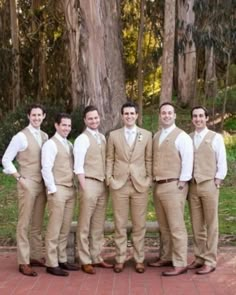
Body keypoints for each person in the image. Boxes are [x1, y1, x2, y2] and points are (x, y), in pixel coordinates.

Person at [106, 101, 152, 274]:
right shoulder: (113, 135)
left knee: (139, 225)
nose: (129, 116)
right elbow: (110, 158)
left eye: (132, 113)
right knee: (120, 224)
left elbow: (149, 159)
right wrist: (109, 178)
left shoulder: (146, 135)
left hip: (140, 185)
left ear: (137, 115)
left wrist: (148, 179)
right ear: (122, 115)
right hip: (119, 185)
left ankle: (139, 259)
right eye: (126, 114)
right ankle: (119, 258)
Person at [2, 104, 48, 276]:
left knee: (37, 223)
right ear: (28, 116)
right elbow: (6, 160)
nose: (36, 118)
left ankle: (35, 255)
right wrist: (20, 178)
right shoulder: (20, 136)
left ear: (44, 116)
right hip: (27, 184)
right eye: (33, 115)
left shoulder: (44, 136)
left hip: (41, 184)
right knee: (24, 223)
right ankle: (23, 261)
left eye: (39, 115)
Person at [150, 102, 193, 276]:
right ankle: (167, 256)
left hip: (174, 185)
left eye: (169, 113)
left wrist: (182, 183)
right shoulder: (156, 136)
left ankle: (181, 262)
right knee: (164, 226)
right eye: (163, 113)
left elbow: (187, 160)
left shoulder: (182, 136)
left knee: (176, 226)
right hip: (158, 186)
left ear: (174, 115)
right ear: (160, 115)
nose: (166, 115)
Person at [188, 106, 227, 275]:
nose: (198, 119)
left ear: (206, 118)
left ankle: (210, 260)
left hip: (209, 184)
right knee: (197, 224)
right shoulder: (187, 138)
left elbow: (222, 160)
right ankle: (199, 256)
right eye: (195, 116)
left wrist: (218, 179)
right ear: (192, 119)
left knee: (211, 224)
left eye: (201, 116)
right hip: (193, 186)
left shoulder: (215, 137)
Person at [73, 105, 113, 275]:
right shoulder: (82, 139)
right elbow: (78, 166)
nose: (94, 121)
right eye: (90, 118)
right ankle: (85, 259)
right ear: (85, 120)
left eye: (96, 118)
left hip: (102, 185)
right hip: (88, 183)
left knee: (97, 224)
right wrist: (85, 187)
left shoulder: (102, 138)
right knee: (84, 224)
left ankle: (96, 256)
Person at [41, 113, 79, 276]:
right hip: (58, 189)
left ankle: (62, 259)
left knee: (65, 227)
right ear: (56, 125)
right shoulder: (50, 144)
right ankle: (51, 262)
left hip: (70, 189)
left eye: (69, 126)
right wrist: (52, 189)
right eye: (64, 125)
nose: (67, 128)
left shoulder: (69, 144)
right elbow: (46, 168)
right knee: (54, 228)